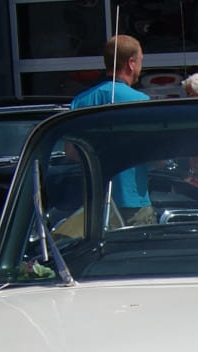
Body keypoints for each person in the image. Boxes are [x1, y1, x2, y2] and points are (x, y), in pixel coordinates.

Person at [70, 35, 154, 226]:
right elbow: (155, 156)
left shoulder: (81, 101)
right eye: (140, 60)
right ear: (131, 63)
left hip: (93, 203)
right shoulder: (142, 103)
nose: (141, 67)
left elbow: (71, 152)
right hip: (133, 203)